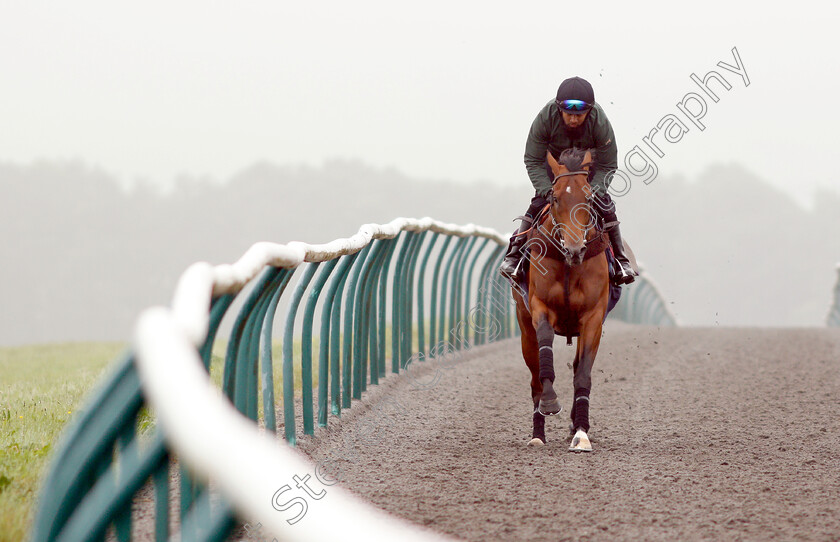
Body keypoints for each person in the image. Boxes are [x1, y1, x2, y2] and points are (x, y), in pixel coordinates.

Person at [499, 76, 638, 285]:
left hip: (588, 169)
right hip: (555, 168)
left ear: (589, 111)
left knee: (606, 205)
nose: (573, 120)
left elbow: (608, 164)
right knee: (538, 203)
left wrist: (594, 190)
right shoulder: (545, 117)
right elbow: (533, 159)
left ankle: (620, 260)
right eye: (568, 114)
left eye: (579, 115)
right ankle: (514, 257)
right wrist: (546, 189)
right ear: (558, 109)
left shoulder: (600, 121)